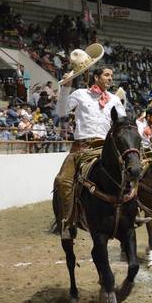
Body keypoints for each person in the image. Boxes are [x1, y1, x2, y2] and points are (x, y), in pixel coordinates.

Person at [54, 56, 126, 235]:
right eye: (107, 75)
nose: (111, 78)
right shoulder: (79, 94)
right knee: (63, 181)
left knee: (131, 174)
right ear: (96, 77)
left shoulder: (115, 101)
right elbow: (61, 112)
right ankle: (68, 220)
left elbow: (122, 124)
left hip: (105, 148)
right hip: (81, 148)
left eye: (111, 76)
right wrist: (65, 86)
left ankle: (130, 215)